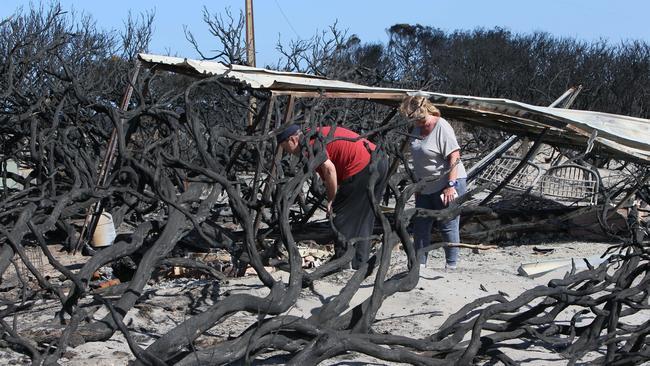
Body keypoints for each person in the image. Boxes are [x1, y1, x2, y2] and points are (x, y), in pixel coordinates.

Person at [277, 124, 389, 269]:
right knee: (365, 217)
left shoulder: (309, 144)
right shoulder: (316, 133)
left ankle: (342, 265)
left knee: (341, 217)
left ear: (292, 139)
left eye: (286, 148)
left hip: (362, 166)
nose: (289, 153)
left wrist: (331, 199)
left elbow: (330, 169)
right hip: (379, 160)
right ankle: (360, 263)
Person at [399, 96, 467, 270]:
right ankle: (419, 264)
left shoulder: (441, 125)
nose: (410, 119)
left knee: (447, 224)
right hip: (425, 185)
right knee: (421, 225)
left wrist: (450, 186)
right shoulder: (415, 129)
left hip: (447, 182)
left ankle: (451, 265)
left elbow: (454, 156)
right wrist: (417, 185)